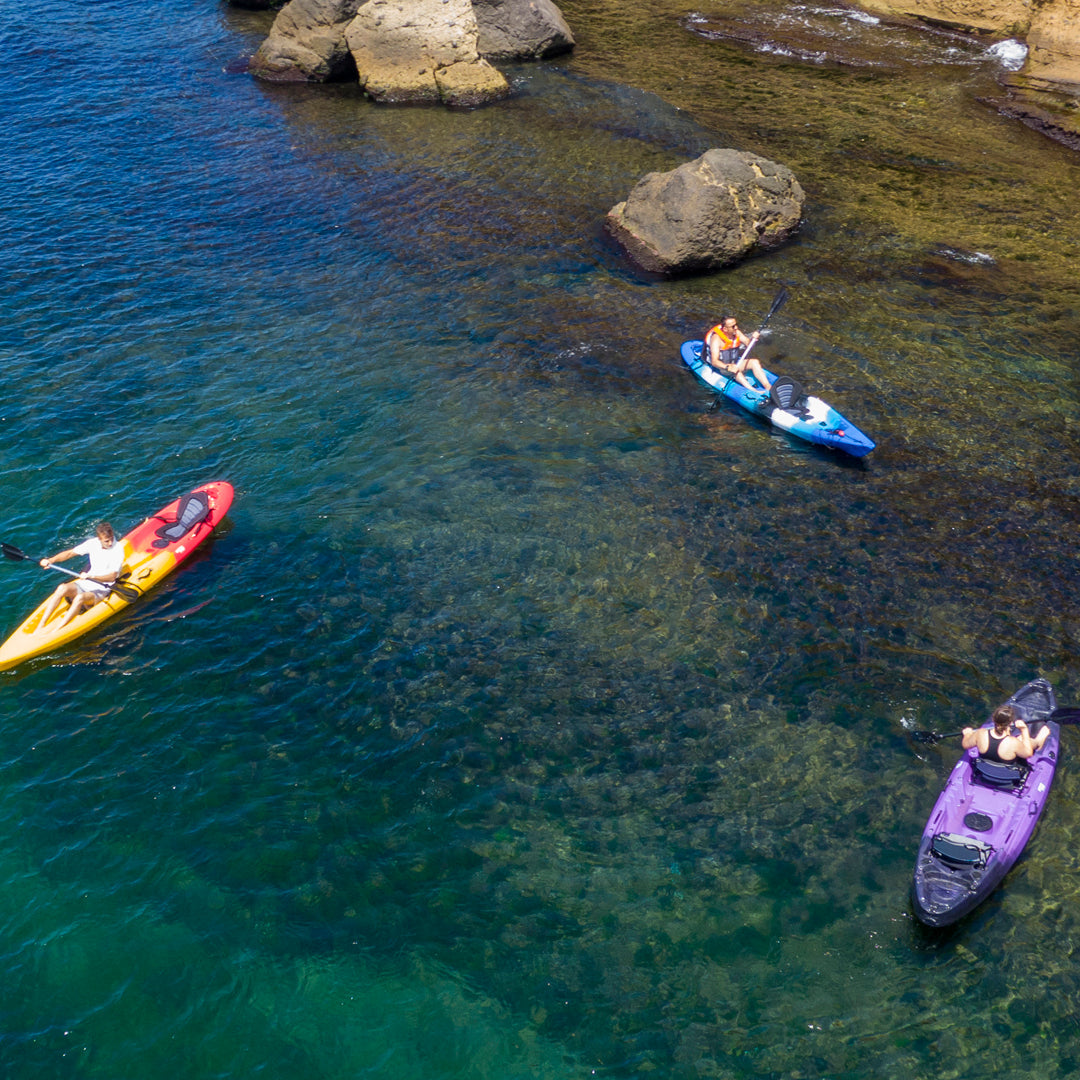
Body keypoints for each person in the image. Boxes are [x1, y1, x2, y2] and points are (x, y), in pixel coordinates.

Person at [36, 522, 126, 632]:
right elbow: (70, 553)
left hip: (103, 587)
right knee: (62, 588)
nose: (110, 543)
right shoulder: (92, 543)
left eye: (111, 539)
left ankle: (57, 630)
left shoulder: (118, 549)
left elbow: (112, 577)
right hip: (87, 582)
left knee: (80, 598)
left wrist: (91, 576)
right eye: (107, 541)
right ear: (99, 539)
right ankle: (41, 625)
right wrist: (51, 560)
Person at [705, 316, 775, 394]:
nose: (736, 327)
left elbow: (748, 344)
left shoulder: (737, 333)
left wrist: (753, 339)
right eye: (733, 326)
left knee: (754, 362)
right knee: (736, 370)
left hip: (734, 363)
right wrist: (728, 367)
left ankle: (768, 386)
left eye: (736, 324)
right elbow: (714, 362)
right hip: (722, 367)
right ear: (725, 329)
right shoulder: (716, 339)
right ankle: (754, 391)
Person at [962, 704, 1050, 760]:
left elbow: (965, 744)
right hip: (1005, 775)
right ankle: (1038, 741)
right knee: (1022, 739)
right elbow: (1028, 754)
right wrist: (1024, 730)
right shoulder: (1012, 742)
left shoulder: (980, 734)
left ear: (993, 719)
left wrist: (967, 734)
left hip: (987, 770)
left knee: (1018, 740)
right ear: (1011, 723)